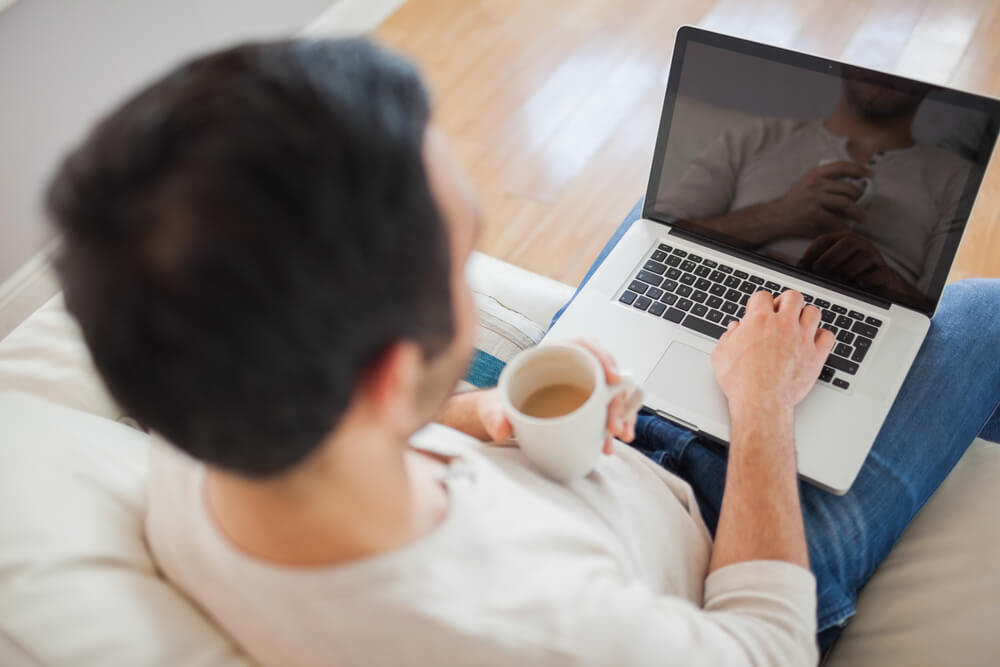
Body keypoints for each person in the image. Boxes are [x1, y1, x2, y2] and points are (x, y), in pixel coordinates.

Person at [46, 38, 999, 665]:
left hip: (580, 454)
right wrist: (762, 410)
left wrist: (481, 410)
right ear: (384, 379)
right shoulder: (528, 630)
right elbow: (767, 645)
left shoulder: (190, 432)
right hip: (732, 533)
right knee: (985, 313)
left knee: (677, 226)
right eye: (463, 254)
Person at [655, 68, 971, 308]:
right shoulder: (757, 137)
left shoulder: (957, 178)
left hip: (867, 310)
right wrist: (777, 215)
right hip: (740, 293)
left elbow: (946, 318)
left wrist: (885, 282)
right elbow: (658, 231)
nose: (885, 71)